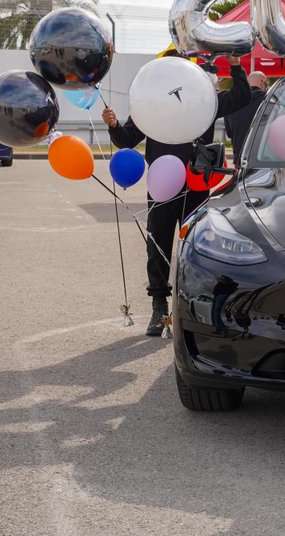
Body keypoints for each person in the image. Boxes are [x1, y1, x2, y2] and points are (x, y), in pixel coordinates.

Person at [102, 52, 250, 336]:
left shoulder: (203, 99)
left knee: (197, 245)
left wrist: (235, 66)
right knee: (157, 243)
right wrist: (114, 126)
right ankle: (159, 305)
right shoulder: (151, 105)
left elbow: (241, 97)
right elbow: (127, 139)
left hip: (196, 183)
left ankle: (195, 305)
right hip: (162, 185)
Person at [223, 70, 268, 167]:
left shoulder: (232, 101)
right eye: (266, 83)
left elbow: (229, 133)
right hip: (263, 159)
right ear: (262, 82)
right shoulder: (267, 101)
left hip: (240, 159)